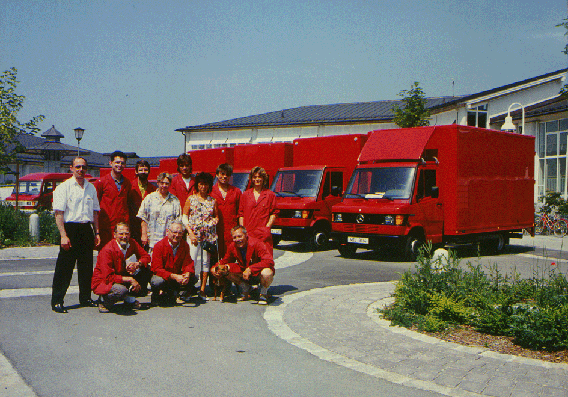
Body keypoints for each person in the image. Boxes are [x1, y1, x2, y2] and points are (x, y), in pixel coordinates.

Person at [51, 157, 100, 313]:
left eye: (84, 167)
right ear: (71, 168)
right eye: (77, 166)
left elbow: (95, 212)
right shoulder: (64, 188)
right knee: (65, 268)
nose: (81, 170)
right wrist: (63, 235)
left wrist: (97, 232)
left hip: (86, 229)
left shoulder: (91, 188)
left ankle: (85, 298)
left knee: (86, 267)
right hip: (70, 229)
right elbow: (59, 213)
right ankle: (57, 300)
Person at [91, 222, 152, 313]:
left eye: (126, 233)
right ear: (115, 235)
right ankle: (104, 301)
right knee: (121, 291)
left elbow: (147, 257)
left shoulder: (132, 242)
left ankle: (129, 300)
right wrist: (130, 279)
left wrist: (137, 264)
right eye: (121, 234)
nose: (124, 236)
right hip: (105, 281)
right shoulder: (107, 250)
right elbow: (108, 277)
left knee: (146, 269)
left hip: (122, 275)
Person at [215, 225, 274, 305]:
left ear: (246, 235)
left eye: (240, 236)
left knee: (267, 273)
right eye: (235, 237)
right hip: (244, 273)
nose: (237, 240)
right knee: (225, 269)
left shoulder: (257, 243)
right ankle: (246, 288)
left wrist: (251, 269)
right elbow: (226, 260)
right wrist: (215, 267)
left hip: (257, 273)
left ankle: (263, 293)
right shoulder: (233, 246)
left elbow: (269, 261)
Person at [182, 172, 219, 301]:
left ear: (209, 186)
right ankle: (189, 289)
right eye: (201, 184)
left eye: (206, 184)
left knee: (205, 263)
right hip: (194, 236)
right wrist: (190, 233)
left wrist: (215, 220)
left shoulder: (212, 201)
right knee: (191, 261)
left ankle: (202, 289)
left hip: (208, 237)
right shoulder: (191, 199)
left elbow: (216, 216)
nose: (203, 187)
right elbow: (184, 217)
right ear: (197, 185)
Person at [150, 221, 196, 306]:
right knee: (157, 281)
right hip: (163, 276)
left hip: (176, 275)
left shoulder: (184, 245)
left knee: (194, 277)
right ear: (168, 231)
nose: (177, 235)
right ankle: (156, 295)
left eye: (180, 233)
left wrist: (187, 273)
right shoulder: (159, 246)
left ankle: (177, 294)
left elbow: (188, 262)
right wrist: (174, 276)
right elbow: (157, 269)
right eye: (174, 232)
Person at [96, 151, 132, 249]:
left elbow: (127, 204)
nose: (119, 165)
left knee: (121, 254)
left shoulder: (127, 183)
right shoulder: (102, 182)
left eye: (122, 163)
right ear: (110, 163)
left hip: (121, 228)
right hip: (106, 226)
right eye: (117, 162)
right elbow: (95, 205)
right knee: (105, 255)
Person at [137, 172, 182, 252]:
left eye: (167, 183)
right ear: (158, 183)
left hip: (169, 241)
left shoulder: (175, 201)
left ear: (170, 184)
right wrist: (144, 235)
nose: (164, 185)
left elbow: (178, 220)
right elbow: (143, 218)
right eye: (162, 183)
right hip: (152, 241)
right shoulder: (149, 198)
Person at [238, 166, 277, 255]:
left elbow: (274, 213)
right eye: (255, 177)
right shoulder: (245, 195)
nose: (257, 179)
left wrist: (267, 227)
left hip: (263, 234)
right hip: (248, 233)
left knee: (265, 261)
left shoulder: (270, 195)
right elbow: (241, 214)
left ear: (263, 178)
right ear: (251, 179)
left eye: (259, 177)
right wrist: (242, 230)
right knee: (249, 261)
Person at [211, 163, 241, 259]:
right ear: (217, 174)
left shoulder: (236, 191)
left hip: (231, 231)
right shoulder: (210, 191)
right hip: (215, 231)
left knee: (230, 258)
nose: (224, 176)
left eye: (227, 174)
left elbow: (240, 212)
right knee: (214, 259)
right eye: (222, 173)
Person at [129, 160, 156, 246]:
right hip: (133, 226)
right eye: (140, 170)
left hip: (148, 227)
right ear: (136, 171)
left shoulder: (154, 189)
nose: (143, 172)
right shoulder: (129, 187)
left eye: (145, 170)